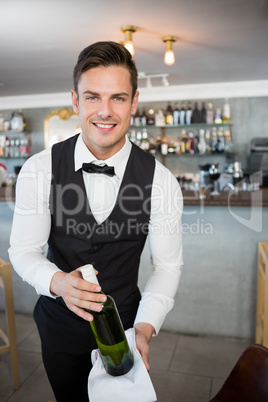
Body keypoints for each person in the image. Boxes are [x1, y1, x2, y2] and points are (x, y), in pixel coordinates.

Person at [9, 41, 183, 402]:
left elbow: (166, 267)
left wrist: (146, 328)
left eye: (118, 98)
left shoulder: (161, 180)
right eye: (92, 97)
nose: (105, 112)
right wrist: (57, 282)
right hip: (59, 328)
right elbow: (24, 250)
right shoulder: (38, 169)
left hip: (127, 327)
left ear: (134, 103)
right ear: (75, 100)